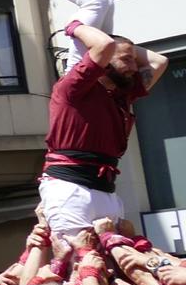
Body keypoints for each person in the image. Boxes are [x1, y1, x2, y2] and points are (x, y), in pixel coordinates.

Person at [40, 21, 169, 242]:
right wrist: (76, 26)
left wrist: (124, 48)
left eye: (133, 60)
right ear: (105, 61)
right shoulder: (73, 88)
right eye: (126, 60)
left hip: (105, 189)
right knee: (80, 261)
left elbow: (160, 61)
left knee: (117, 264)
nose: (134, 67)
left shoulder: (122, 94)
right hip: (70, 188)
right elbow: (104, 44)